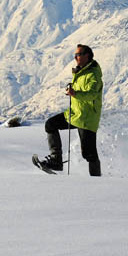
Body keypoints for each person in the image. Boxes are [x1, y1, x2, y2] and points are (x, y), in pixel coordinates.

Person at [33, 44, 103, 176]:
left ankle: (97, 182)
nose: (75, 58)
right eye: (75, 55)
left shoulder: (93, 75)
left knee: (89, 154)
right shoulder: (81, 72)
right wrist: (72, 91)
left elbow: (92, 94)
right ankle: (56, 161)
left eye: (78, 55)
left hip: (87, 118)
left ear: (86, 55)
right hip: (75, 114)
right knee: (50, 124)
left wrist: (75, 93)